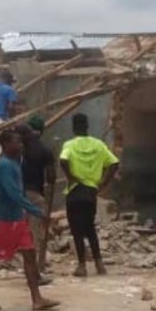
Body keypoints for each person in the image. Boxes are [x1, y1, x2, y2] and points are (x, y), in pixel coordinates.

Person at [0, 130, 59, 311]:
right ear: (5, 145)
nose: (21, 145)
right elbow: (14, 194)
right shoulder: (4, 166)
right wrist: (37, 211)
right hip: (4, 219)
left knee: (29, 254)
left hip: (17, 219)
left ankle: (37, 298)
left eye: (21, 142)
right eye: (17, 142)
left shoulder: (15, 163)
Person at [60, 113, 120, 278]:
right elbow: (114, 163)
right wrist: (103, 183)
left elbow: (63, 160)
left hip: (75, 191)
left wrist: (70, 176)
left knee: (77, 230)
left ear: (74, 127)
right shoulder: (99, 144)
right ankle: (99, 264)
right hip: (91, 192)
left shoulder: (69, 144)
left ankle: (82, 266)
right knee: (90, 228)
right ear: (87, 126)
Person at [17, 117, 56, 283]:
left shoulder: (17, 150)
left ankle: (23, 266)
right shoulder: (44, 150)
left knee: (18, 231)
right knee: (34, 233)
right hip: (34, 195)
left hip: (17, 194)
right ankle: (36, 269)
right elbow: (51, 177)